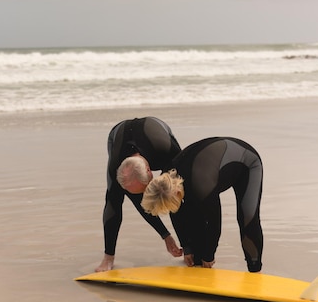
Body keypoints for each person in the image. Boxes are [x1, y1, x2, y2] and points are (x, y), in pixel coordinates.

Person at [141, 137, 264, 272]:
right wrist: (187, 248)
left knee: (247, 218)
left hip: (247, 163)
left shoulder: (201, 186)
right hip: (208, 166)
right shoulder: (165, 179)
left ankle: (255, 268)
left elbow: (214, 224)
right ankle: (198, 260)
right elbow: (176, 213)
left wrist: (209, 256)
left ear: (176, 193)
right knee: (192, 217)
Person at [96, 117, 184, 272]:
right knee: (113, 199)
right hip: (118, 133)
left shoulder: (165, 151)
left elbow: (182, 197)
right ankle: (108, 257)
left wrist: (188, 247)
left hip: (155, 131)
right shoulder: (116, 167)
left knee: (175, 192)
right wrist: (166, 235)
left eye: (145, 190)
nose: (144, 196)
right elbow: (128, 205)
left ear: (150, 172)